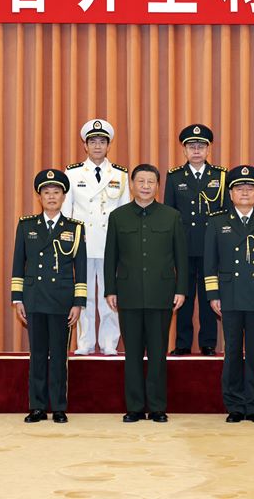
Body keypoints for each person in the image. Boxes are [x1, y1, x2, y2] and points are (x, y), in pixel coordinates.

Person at [104, 164, 187, 423]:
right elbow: (111, 257)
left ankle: (158, 407)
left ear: (157, 186)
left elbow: (181, 258)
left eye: (151, 182)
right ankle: (135, 407)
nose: (146, 186)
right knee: (132, 355)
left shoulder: (171, 216)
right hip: (128, 294)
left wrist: (181, 289)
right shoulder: (118, 217)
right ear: (132, 184)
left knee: (158, 353)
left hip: (161, 294)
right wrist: (110, 289)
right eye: (141, 181)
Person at [204, 166, 254, 423]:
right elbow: (210, 261)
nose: (245, 192)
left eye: (250, 188)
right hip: (230, 294)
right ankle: (235, 405)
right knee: (233, 350)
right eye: (240, 188)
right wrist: (213, 294)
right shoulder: (217, 221)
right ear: (231, 193)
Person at [11, 169, 87, 424]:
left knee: (59, 356)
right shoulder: (26, 225)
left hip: (62, 301)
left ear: (63, 196)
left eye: (56, 192)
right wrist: (17, 298)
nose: (51, 197)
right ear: (40, 197)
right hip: (34, 299)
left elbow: (82, 267)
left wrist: (78, 302)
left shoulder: (74, 228)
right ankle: (37, 406)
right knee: (38, 355)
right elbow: (17, 264)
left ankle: (59, 406)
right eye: (46, 193)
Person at [63, 119, 130, 355]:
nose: (98, 146)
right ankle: (85, 342)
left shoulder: (120, 175)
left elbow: (126, 212)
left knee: (109, 295)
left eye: (102, 142)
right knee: (84, 294)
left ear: (109, 145)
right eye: (93, 142)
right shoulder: (72, 174)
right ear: (85, 145)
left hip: (110, 244)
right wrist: (66, 244)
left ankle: (109, 342)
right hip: (82, 243)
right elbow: (65, 212)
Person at [164, 124, 227, 356]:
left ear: (208, 149)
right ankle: (182, 343)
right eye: (192, 146)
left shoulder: (221, 176)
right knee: (184, 295)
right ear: (184, 150)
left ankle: (208, 342)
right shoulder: (174, 176)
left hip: (212, 248)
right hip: (183, 246)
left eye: (201, 146)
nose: (197, 150)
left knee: (210, 294)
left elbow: (226, 215)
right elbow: (169, 215)